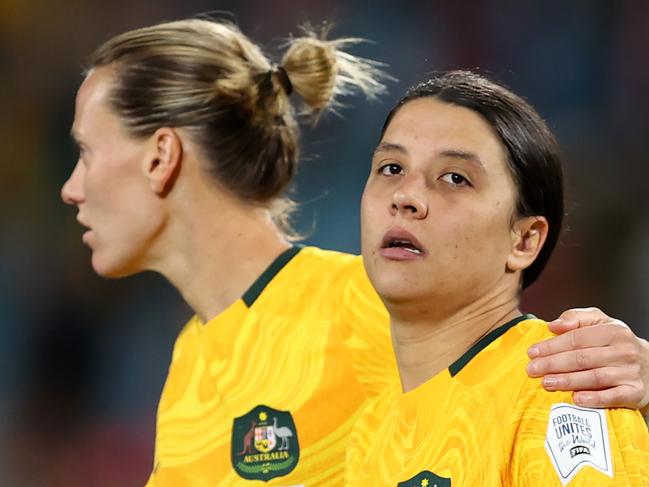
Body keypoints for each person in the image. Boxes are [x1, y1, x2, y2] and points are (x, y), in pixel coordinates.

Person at [60, 19, 649, 486]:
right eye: (389, 169)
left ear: (162, 154)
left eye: (87, 152)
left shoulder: (369, 304)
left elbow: (516, 371)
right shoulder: (190, 364)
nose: (72, 187)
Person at [346, 70, 649, 485]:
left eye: (455, 177)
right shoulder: (369, 432)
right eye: (391, 167)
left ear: (524, 240)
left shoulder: (560, 391)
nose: (406, 197)